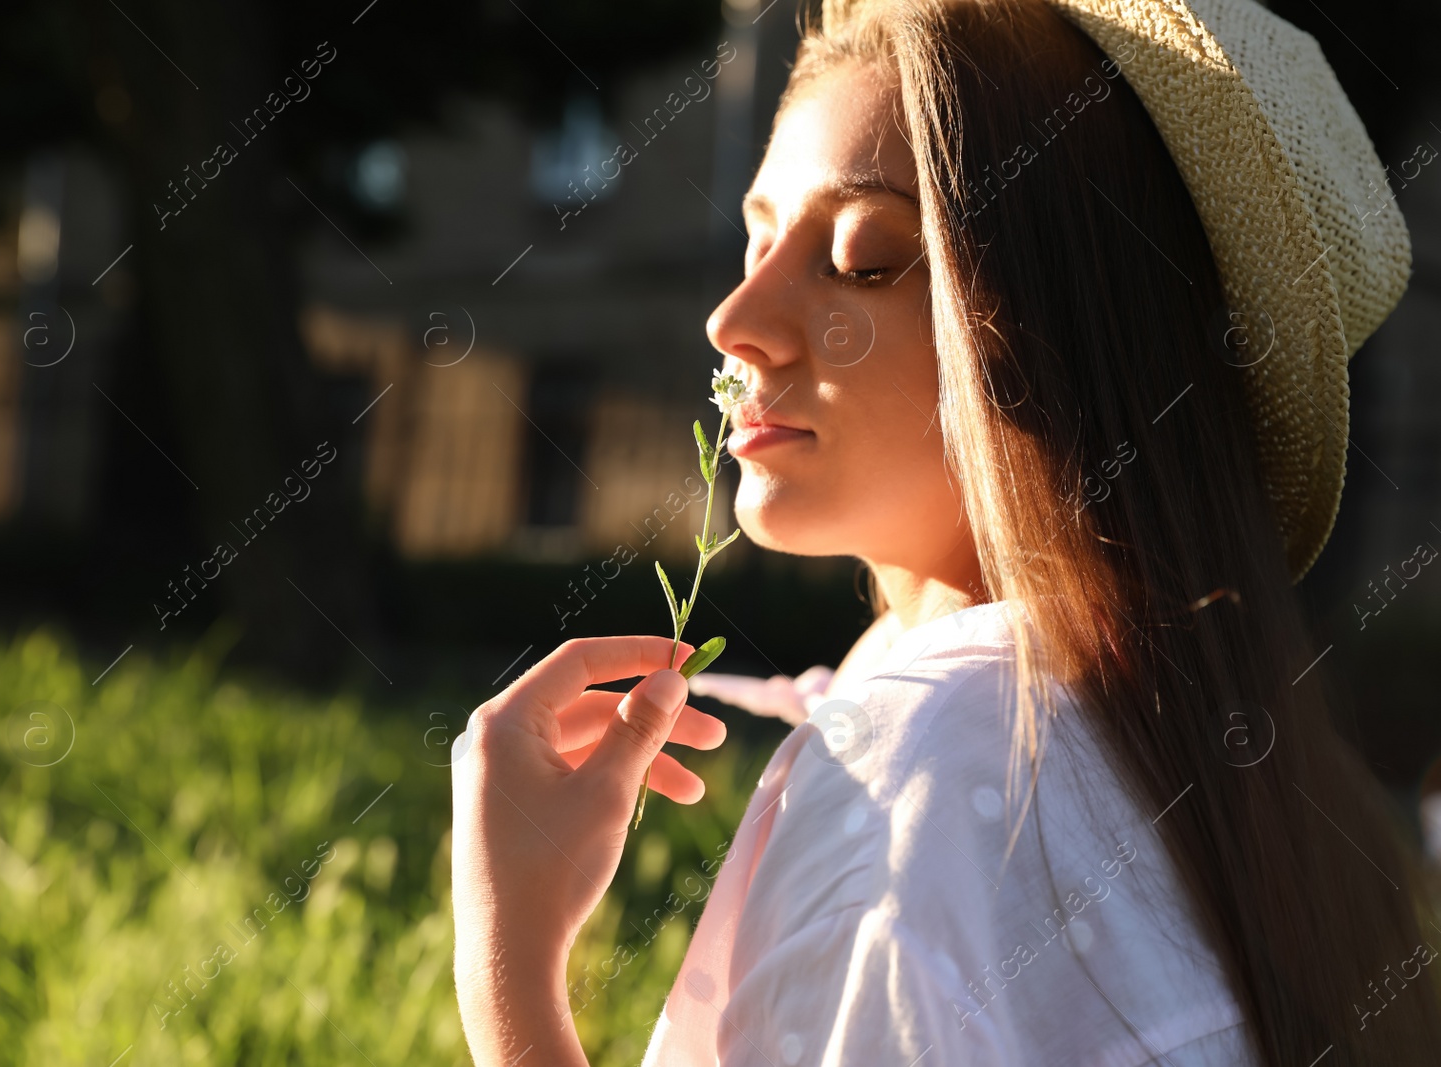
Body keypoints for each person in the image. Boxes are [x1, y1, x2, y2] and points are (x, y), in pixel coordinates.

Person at [450, 0, 1441, 1063]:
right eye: (758, 238)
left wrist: (506, 969)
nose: (732, 319)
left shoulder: (928, 779)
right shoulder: (1234, 775)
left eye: (862, 257)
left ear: (1068, 333)